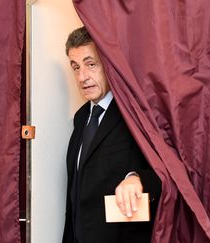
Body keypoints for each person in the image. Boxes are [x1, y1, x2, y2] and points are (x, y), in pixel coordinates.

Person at [62, 26, 162, 243]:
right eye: (75, 67)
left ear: (108, 64)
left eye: (90, 64)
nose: (82, 77)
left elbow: (165, 175)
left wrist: (137, 179)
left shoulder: (134, 115)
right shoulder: (80, 118)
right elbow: (76, 194)